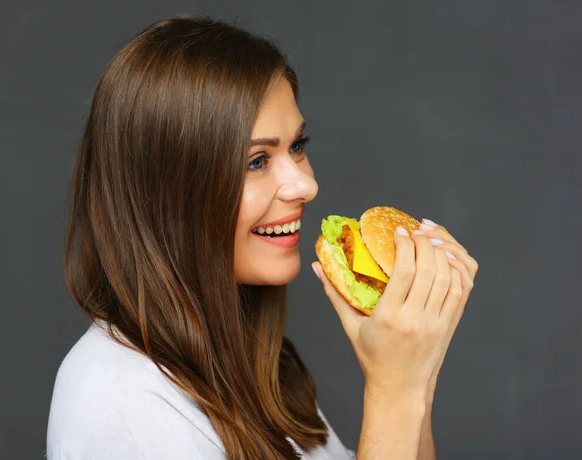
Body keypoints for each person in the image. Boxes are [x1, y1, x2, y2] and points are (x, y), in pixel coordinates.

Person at [46, 14, 478, 460]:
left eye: (296, 146)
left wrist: (416, 377)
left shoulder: (254, 370)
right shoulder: (118, 397)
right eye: (256, 161)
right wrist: (394, 391)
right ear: (167, 194)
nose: (306, 186)